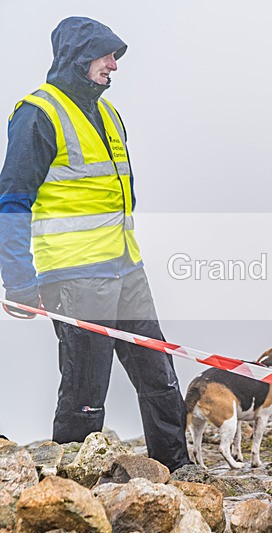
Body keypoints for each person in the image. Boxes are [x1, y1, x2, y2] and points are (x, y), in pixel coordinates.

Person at [0, 17, 190, 471]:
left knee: (159, 377)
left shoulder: (108, 113)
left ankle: (179, 471)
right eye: (107, 56)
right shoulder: (38, 113)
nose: (114, 66)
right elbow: (12, 200)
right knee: (85, 392)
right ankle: (68, 487)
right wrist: (20, 282)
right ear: (78, 57)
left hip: (127, 267)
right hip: (75, 274)